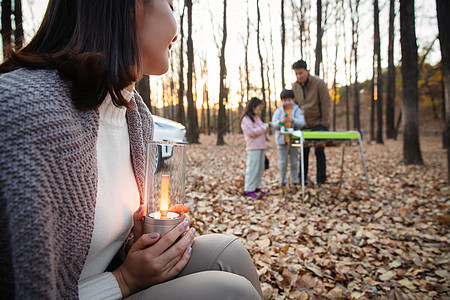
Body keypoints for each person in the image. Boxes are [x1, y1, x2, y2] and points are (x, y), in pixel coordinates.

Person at [0, 1, 263, 299]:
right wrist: (123, 280)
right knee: (230, 292)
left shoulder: (135, 115)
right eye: (170, 3)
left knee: (230, 253)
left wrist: (133, 245)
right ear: (129, 7)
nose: (175, 25)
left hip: (111, 280)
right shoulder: (24, 110)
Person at [291, 60, 331, 185]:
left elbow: (326, 103)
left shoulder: (319, 83)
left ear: (307, 71)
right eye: (296, 74)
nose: (299, 76)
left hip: (319, 123)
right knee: (303, 151)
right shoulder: (295, 86)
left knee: (319, 151)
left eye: (301, 73)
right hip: (303, 124)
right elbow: (295, 106)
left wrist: (324, 123)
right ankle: (302, 179)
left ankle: (321, 179)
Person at [272, 90, 305, 187]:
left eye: (289, 100)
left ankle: (294, 181)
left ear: (293, 99)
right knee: (283, 162)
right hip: (282, 140)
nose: (287, 102)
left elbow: (302, 122)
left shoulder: (297, 110)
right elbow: (274, 125)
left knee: (294, 161)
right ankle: (283, 181)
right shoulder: (278, 111)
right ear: (282, 101)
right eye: (285, 100)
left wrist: (293, 120)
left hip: (294, 139)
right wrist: (281, 122)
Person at [240, 97, 271, 200]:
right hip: (253, 147)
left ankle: (257, 187)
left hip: (261, 146)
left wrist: (268, 127)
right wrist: (263, 128)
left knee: (260, 168)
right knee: (252, 168)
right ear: (253, 107)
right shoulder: (246, 119)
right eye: (259, 108)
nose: (259, 111)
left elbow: (261, 130)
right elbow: (251, 132)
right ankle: (248, 189)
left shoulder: (257, 118)